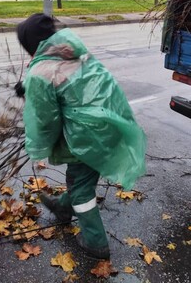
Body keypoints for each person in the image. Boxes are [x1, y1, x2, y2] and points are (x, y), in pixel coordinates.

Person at [15, 13, 146, 259]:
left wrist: (36, 147)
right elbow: (68, 83)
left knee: (81, 190)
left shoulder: (41, 72)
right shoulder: (72, 51)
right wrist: (28, 88)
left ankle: (95, 243)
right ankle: (62, 208)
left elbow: (45, 120)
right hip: (111, 122)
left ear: (32, 45)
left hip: (88, 137)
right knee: (82, 179)